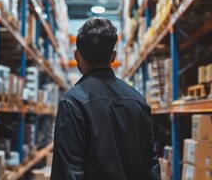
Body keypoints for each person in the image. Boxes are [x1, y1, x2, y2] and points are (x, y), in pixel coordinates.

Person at [51, 17, 160, 180]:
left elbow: (68, 172)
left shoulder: (72, 102)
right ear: (113, 57)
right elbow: (151, 166)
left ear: (76, 55)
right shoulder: (138, 101)